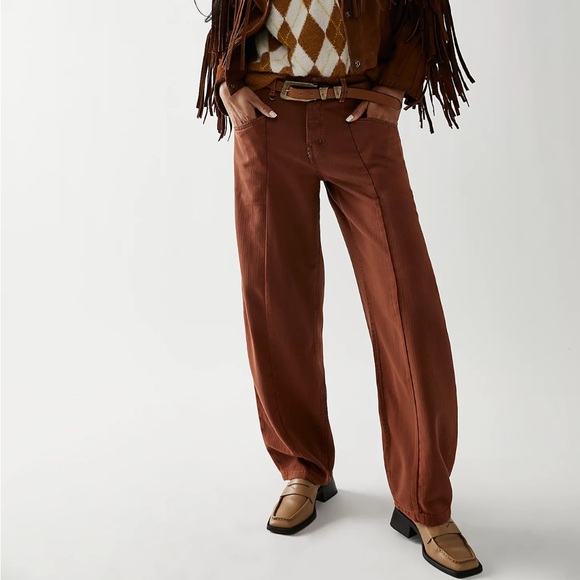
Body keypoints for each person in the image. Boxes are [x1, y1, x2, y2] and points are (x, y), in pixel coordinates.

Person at [196, 0, 483, 576]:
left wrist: (396, 88)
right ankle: (302, 467)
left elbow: (425, 10)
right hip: (268, 117)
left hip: (359, 117)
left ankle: (425, 500)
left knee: (406, 307)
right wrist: (227, 84)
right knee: (276, 305)